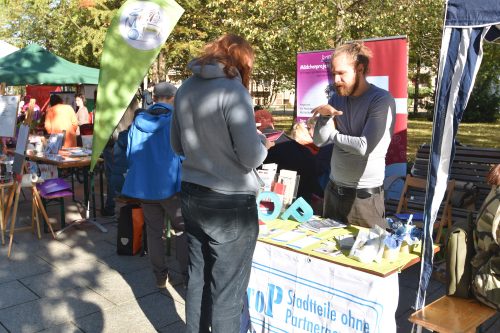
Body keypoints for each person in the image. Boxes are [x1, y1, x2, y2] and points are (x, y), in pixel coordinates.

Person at [171, 34, 272, 333]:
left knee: (198, 281)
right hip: (229, 203)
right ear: (242, 62)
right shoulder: (234, 90)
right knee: (228, 294)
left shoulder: (185, 88)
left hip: (192, 194)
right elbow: (252, 156)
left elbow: (177, 145)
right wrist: (263, 141)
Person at [312, 42, 396, 228]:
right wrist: (325, 118)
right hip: (333, 191)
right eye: (334, 73)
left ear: (360, 69)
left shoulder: (381, 99)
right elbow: (318, 141)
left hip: (364, 199)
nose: (336, 79)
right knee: (326, 253)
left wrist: (333, 135)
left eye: (342, 73)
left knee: (364, 256)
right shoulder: (337, 97)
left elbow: (364, 147)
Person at [121, 81, 183, 289]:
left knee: (153, 232)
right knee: (182, 230)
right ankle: (187, 275)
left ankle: (160, 277)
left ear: (154, 98)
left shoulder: (138, 120)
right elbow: (184, 153)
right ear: (173, 99)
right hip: (171, 186)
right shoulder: (176, 120)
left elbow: (129, 155)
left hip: (145, 187)